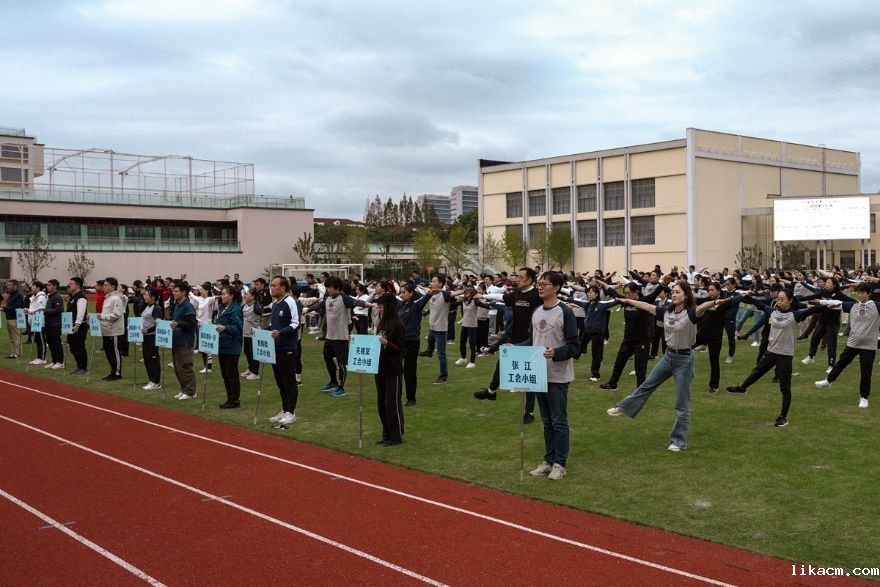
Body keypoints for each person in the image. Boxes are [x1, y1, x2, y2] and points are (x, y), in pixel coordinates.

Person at [607, 281, 718, 451]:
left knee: (682, 403)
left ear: (686, 295)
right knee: (647, 385)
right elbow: (646, 306)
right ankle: (624, 407)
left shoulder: (691, 313)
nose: (674, 294)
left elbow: (702, 308)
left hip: (684, 360)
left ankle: (679, 441)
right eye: (672, 292)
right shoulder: (666, 311)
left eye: (677, 292)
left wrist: (714, 302)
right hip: (668, 357)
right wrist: (629, 301)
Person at [726, 290, 831, 427]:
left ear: (790, 301)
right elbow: (758, 303)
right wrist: (745, 296)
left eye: (782, 299)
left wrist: (827, 305)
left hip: (785, 355)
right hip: (771, 352)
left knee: (785, 387)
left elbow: (812, 310)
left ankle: (783, 417)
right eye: (778, 299)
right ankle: (742, 388)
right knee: (757, 372)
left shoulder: (795, 315)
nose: (778, 302)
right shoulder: (772, 312)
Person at [527, 271, 580, 481]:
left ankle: (560, 463)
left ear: (556, 287)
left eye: (545, 284)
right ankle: (548, 461)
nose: (540, 287)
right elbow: (532, 341)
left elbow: (574, 346)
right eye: (539, 284)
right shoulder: (536, 311)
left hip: (557, 376)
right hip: (539, 374)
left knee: (559, 421)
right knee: (547, 422)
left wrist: (556, 353)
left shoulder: (565, 312)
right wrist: (513, 347)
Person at [473, 268, 542, 424]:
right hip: (514, 338)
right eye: (517, 276)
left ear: (530, 280)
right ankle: (491, 392)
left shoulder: (536, 295)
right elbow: (502, 297)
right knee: (501, 364)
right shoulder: (516, 293)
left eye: (521, 277)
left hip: (530, 340)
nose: (517, 279)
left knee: (528, 377)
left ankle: (529, 412)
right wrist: (483, 296)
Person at [814, 283, 879, 409]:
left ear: (869, 293)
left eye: (862, 293)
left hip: (868, 345)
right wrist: (821, 302)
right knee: (841, 363)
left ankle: (864, 398)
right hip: (853, 343)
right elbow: (838, 302)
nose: (860, 295)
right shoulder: (853, 305)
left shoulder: (876, 306)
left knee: (866, 372)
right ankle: (829, 381)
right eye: (858, 293)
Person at [598, 281, 665, 391]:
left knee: (640, 369)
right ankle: (612, 384)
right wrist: (602, 283)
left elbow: (654, 294)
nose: (626, 295)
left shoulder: (643, 302)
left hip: (641, 341)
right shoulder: (626, 301)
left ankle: (640, 391)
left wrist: (663, 284)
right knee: (619, 363)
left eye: (628, 293)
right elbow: (612, 292)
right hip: (628, 340)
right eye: (624, 293)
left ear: (636, 292)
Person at [309, 275, 367, 398]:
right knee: (327, 357)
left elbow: (357, 302)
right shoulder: (328, 299)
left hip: (340, 337)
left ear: (337, 288)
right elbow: (319, 305)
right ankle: (333, 382)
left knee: (341, 363)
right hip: (329, 336)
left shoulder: (344, 298)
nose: (327, 289)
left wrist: (371, 305)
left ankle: (341, 388)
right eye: (327, 287)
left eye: (329, 287)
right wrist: (306, 310)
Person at [266, 276, 300, 426]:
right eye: (271, 285)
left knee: (289, 381)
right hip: (275, 348)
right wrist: (261, 330)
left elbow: (295, 324)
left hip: (287, 348)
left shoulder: (290, 302)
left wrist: (281, 333)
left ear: (283, 287)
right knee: (280, 381)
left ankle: (291, 412)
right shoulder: (275, 304)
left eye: (274, 285)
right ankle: (284, 408)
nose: (271, 288)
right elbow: (273, 325)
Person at [374, 292, 406, 445]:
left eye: (381, 306)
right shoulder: (381, 323)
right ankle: (386, 433)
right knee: (381, 403)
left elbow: (401, 348)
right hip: (379, 367)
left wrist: (387, 343)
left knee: (391, 403)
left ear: (388, 307)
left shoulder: (398, 325)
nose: (379, 308)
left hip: (393, 369)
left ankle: (396, 435)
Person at [417, 274, 458, 385]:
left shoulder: (444, 294)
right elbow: (426, 289)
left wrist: (466, 291)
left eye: (434, 281)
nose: (432, 283)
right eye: (432, 281)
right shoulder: (431, 292)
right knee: (430, 340)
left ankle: (443, 377)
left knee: (441, 354)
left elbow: (454, 293)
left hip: (441, 329)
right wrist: (420, 287)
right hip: (432, 327)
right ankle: (428, 352)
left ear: (440, 284)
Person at [396, 283, 431, 406]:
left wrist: (430, 292)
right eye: (400, 292)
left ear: (411, 293)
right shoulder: (401, 305)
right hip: (401, 341)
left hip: (412, 342)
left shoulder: (416, 305)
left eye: (404, 292)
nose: (401, 295)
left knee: (409, 370)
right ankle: (397, 396)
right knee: (397, 368)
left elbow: (425, 298)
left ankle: (411, 398)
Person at [215, 286, 244, 409]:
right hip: (222, 345)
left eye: (224, 294)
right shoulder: (222, 308)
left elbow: (238, 327)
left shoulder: (235, 309)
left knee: (231, 374)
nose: (222, 296)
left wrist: (225, 328)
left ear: (231, 296)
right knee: (225, 374)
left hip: (232, 346)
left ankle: (235, 399)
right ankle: (230, 398)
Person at [170, 280, 198, 399]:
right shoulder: (177, 305)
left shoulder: (188, 306)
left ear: (183, 292)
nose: (174, 293)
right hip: (176, 340)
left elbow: (192, 324)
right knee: (178, 367)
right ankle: (184, 389)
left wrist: (178, 324)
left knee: (185, 366)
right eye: (174, 291)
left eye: (176, 291)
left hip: (185, 341)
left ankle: (190, 391)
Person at [97, 277, 125, 381]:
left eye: (106, 285)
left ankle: (117, 373)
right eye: (103, 285)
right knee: (109, 353)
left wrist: (102, 317)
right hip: (106, 330)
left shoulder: (116, 299)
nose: (103, 287)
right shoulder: (107, 298)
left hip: (114, 331)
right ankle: (113, 371)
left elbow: (116, 315)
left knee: (114, 352)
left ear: (113, 287)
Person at [189, 283, 218, 373]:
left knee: (207, 347)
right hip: (200, 325)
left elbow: (218, 296)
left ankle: (209, 367)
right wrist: (191, 289)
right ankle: (206, 366)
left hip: (207, 325)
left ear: (207, 290)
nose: (200, 291)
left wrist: (215, 289)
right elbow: (192, 295)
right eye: (200, 290)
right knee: (202, 347)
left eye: (202, 290)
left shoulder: (210, 299)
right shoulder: (200, 299)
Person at [140, 287, 163, 390]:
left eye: (146, 295)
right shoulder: (148, 306)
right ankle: (151, 379)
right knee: (147, 359)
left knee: (153, 359)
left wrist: (148, 330)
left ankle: (156, 382)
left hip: (152, 337)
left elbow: (159, 324)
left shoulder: (156, 308)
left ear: (153, 297)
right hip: (146, 337)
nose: (144, 296)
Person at [66, 277, 89, 375]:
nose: (69, 285)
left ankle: (83, 368)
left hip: (79, 326)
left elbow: (81, 312)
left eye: (71, 283)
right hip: (70, 325)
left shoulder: (81, 297)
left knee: (79, 346)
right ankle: (79, 366)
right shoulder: (73, 297)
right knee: (73, 347)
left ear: (77, 285)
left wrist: (77, 325)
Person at [42, 279, 65, 369]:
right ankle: (54, 360)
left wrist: (46, 311)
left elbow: (58, 310)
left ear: (55, 286)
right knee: (50, 343)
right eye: (47, 285)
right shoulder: (49, 296)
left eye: (50, 285)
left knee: (56, 343)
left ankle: (60, 362)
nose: (47, 287)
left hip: (55, 324)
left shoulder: (57, 297)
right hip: (48, 323)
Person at [240, 288, 263, 381]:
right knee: (247, 351)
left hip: (254, 333)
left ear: (253, 296)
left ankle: (255, 372)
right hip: (245, 332)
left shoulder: (256, 306)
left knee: (254, 353)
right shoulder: (244, 305)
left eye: (247, 294)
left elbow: (261, 313)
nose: (245, 296)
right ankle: (250, 368)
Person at [454, 287, 479, 369]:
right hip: (464, 325)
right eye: (466, 292)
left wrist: (492, 305)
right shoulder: (463, 301)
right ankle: (463, 358)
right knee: (462, 342)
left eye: (468, 292)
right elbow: (454, 304)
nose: (466, 294)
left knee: (472, 344)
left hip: (472, 325)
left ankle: (472, 362)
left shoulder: (475, 301)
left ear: (472, 293)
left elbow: (484, 305)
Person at [26, 281, 47, 366]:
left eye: (33, 286)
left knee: (41, 340)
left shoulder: (41, 297)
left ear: (38, 288)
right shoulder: (34, 297)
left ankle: (42, 358)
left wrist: (29, 311)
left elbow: (41, 308)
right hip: (34, 322)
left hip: (39, 322)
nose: (31, 288)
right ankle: (39, 357)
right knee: (37, 340)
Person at [2, 279, 24, 360]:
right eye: (7, 285)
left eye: (9, 285)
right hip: (9, 318)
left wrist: (4, 308)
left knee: (16, 336)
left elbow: (16, 307)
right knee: (11, 337)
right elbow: (9, 306)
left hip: (15, 318)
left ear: (15, 286)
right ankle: (13, 353)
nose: (7, 286)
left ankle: (18, 354)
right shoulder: (10, 295)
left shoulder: (18, 295)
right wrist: (5, 308)